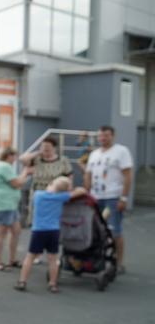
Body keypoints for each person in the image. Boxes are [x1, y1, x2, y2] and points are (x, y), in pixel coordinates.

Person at [14, 177, 87, 293]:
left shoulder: (38, 195)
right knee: (53, 259)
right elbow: (82, 191)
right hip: (53, 231)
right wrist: (70, 189)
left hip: (38, 230)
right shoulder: (61, 197)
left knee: (30, 257)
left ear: (51, 184)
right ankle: (52, 284)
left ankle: (22, 281)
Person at [84, 125, 133, 273]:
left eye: (106, 135)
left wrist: (123, 198)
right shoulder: (94, 154)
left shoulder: (121, 151)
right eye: (100, 136)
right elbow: (88, 175)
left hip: (113, 197)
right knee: (94, 230)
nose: (102, 138)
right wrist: (86, 194)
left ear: (112, 136)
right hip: (95, 197)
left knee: (115, 230)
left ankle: (118, 263)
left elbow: (128, 175)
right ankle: (95, 259)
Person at [0, 147, 32, 271]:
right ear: (9, 156)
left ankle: (12, 259)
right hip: (4, 204)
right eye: (14, 156)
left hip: (10, 204)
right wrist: (26, 172)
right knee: (1, 232)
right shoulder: (4, 166)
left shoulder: (0, 165)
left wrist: (24, 174)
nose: (15, 159)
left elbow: (15, 181)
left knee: (16, 231)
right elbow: (17, 183)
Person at [20, 136, 72, 225]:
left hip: (55, 192)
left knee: (53, 218)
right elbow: (22, 159)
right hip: (38, 192)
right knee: (37, 217)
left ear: (54, 148)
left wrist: (69, 190)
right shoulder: (37, 159)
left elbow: (69, 176)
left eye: (48, 147)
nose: (45, 149)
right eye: (43, 146)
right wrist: (38, 152)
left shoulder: (63, 160)